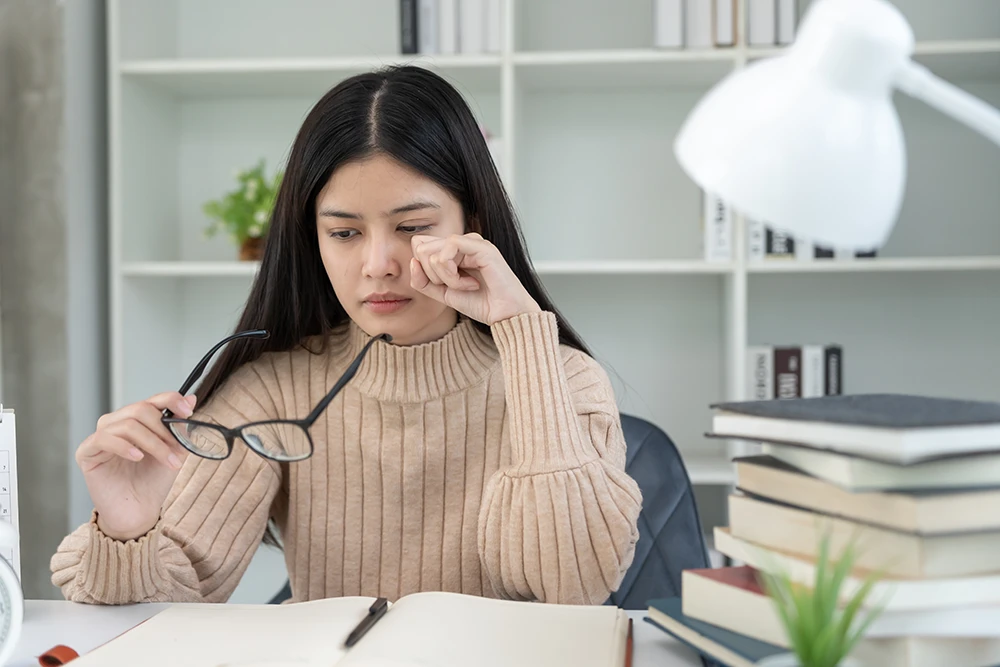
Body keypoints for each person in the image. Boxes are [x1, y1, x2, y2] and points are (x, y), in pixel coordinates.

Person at [51, 65, 642, 606]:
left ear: (474, 226)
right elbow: (166, 609)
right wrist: (127, 525)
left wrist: (521, 337)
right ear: (312, 238)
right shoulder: (272, 392)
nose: (378, 263)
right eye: (344, 233)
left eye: (412, 227)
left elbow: (574, 589)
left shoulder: (563, 379)